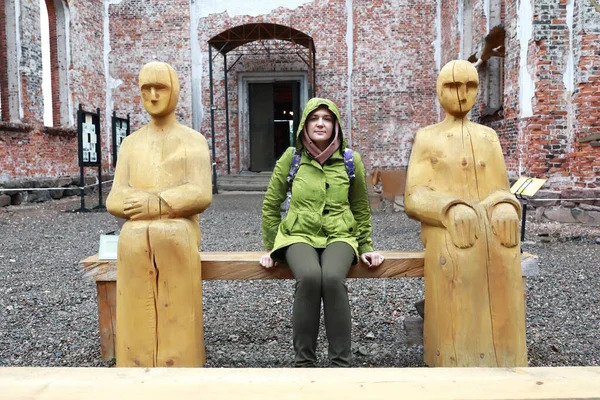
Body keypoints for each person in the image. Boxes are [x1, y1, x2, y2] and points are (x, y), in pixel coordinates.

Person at [404, 60, 527, 367]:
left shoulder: (488, 137)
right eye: (453, 86)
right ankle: (453, 356)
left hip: (488, 224)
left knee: (506, 251)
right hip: (444, 225)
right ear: (438, 91)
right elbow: (414, 195)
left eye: (471, 86)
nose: (462, 94)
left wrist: (504, 206)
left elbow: (501, 187)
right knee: (457, 255)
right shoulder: (427, 137)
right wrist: (449, 208)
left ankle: (507, 357)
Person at [260, 97, 384, 367]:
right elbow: (271, 204)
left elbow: (360, 208)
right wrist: (270, 247)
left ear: (336, 125)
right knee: (309, 276)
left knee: (330, 277)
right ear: (304, 124)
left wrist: (366, 248)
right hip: (298, 234)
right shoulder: (291, 159)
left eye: (327, 119)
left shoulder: (351, 161)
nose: (320, 124)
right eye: (314, 118)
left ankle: (340, 362)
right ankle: (304, 362)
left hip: (339, 234)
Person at [106, 62, 212, 367]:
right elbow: (115, 198)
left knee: (171, 235)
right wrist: (138, 204)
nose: (152, 96)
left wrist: (158, 204)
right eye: (145, 89)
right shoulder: (131, 144)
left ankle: (179, 356)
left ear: (174, 90)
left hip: (179, 230)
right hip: (137, 234)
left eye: (160, 88)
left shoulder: (193, 141)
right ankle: (135, 356)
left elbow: (201, 192)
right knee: (132, 236)